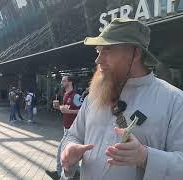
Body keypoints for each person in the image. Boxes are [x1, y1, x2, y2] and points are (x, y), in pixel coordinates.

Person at [61, 18, 183, 180]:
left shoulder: (175, 101)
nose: (98, 60)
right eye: (99, 50)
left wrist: (145, 157)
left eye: (108, 50)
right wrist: (69, 149)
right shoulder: (94, 95)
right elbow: (73, 135)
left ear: (135, 53)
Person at [46, 75, 82, 179]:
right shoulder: (65, 94)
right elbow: (65, 109)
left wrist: (69, 111)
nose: (62, 82)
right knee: (70, 153)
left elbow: (83, 111)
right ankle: (75, 172)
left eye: (63, 80)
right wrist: (58, 107)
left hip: (72, 130)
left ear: (70, 82)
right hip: (66, 128)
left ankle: (58, 174)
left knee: (60, 151)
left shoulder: (76, 96)